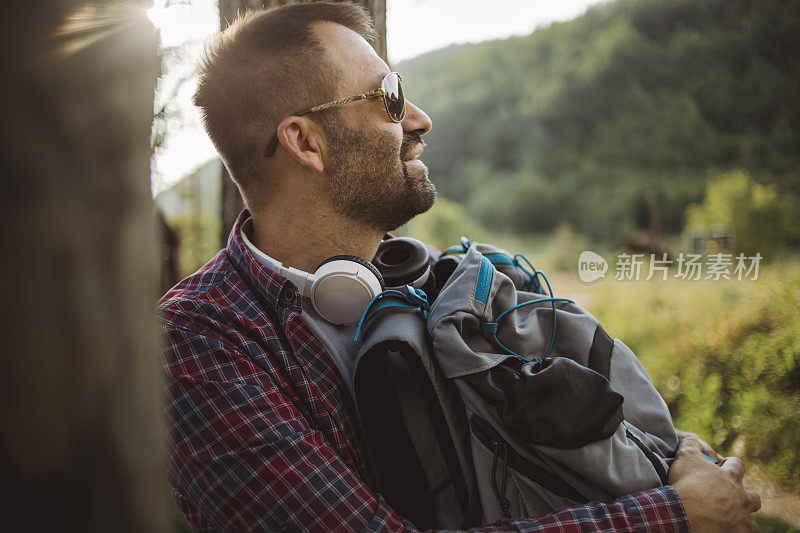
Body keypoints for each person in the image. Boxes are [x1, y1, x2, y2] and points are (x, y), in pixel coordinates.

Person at [158, 2, 761, 531]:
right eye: (389, 97)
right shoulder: (196, 343)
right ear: (306, 143)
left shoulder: (435, 280)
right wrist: (676, 516)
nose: (419, 120)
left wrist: (673, 454)